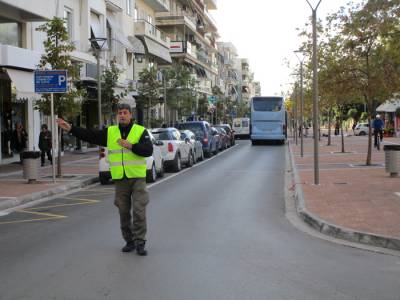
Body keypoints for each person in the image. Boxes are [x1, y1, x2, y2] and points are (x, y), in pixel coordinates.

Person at [56, 103, 153, 256]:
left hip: (137, 177)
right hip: (120, 179)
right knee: (123, 211)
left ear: (130, 115)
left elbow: (148, 151)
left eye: (125, 112)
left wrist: (131, 146)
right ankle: (129, 241)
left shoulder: (140, 131)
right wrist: (71, 128)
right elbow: (91, 135)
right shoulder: (111, 132)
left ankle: (140, 242)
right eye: (120, 113)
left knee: (139, 211)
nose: (122, 115)